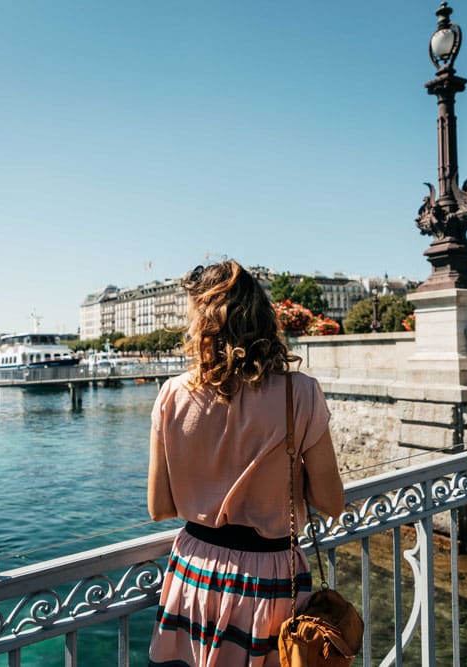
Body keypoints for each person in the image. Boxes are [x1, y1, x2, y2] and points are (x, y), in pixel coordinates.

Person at [147, 260, 345, 667]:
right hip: (269, 576)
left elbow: (159, 507)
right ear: (262, 318)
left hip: (193, 572)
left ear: (201, 324)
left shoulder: (171, 394)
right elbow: (331, 501)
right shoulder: (300, 393)